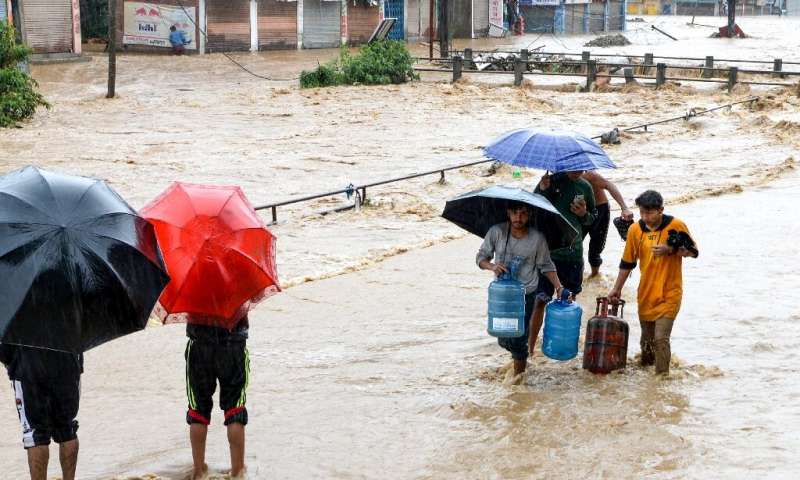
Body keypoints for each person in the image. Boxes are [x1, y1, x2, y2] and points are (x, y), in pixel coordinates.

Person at [607, 190, 699, 375]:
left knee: (660, 339)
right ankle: (647, 377)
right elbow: (627, 263)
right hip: (646, 293)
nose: (645, 217)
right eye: (642, 212)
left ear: (660, 210)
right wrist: (616, 289)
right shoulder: (635, 230)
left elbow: (694, 252)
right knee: (646, 343)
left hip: (670, 293)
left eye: (649, 213)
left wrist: (670, 249)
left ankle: (662, 380)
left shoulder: (676, 225)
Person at [476, 201, 564, 375]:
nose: (519, 217)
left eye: (523, 213)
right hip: (502, 296)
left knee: (518, 339)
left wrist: (559, 287)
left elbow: (546, 265)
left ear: (529, 215)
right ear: (508, 213)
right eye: (515, 213)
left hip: (526, 295)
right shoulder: (497, 232)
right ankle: (521, 359)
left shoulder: (537, 239)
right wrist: (492, 266)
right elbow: (480, 258)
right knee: (503, 338)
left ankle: (519, 379)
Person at [529, 171, 596, 356]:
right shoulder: (549, 181)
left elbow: (592, 218)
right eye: (574, 167)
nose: (578, 171)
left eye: (581, 168)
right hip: (547, 253)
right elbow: (532, 207)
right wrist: (542, 189)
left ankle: (564, 348)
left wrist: (583, 214)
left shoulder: (585, 187)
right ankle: (529, 350)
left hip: (573, 254)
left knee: (569, 302)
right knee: (540, 300)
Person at [0, 345, 82, 480]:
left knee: (35, 434)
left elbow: (4, 342)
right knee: (67, 429)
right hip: (66, 358)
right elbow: (82, 335)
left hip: (28, 363)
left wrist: (10, 362)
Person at [185, 312, 250, 479]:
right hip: (233, 345)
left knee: (198, 408)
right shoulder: (236, 291)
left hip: (199, 346)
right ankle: (237, 471)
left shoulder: (191, 292)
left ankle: (198, 471)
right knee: (235, 406)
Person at [581, 170, 634, 277]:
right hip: (578, 212)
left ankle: (594, 275)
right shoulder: (560, 177)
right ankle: (577, 275)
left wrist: (624, 208)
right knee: (573, 245)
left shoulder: (590, 175)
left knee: (595, 247)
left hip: (599, 210)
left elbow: (609, 185)